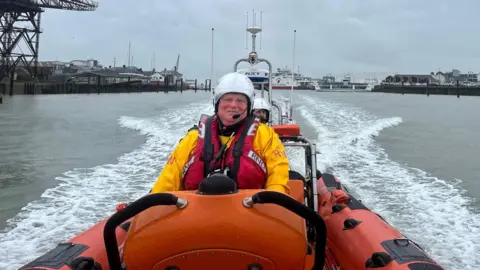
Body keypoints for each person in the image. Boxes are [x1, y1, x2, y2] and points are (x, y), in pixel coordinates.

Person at [151, 72, 290, 194]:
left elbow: (278, 177)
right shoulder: (192, 139)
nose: (233, 105)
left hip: (251, 217)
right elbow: (167, 181)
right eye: (227, 99)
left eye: (241, 100)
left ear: (249, 106)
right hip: (195, 218)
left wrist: (272, 202)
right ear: (217, 103)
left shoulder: (266, 136)